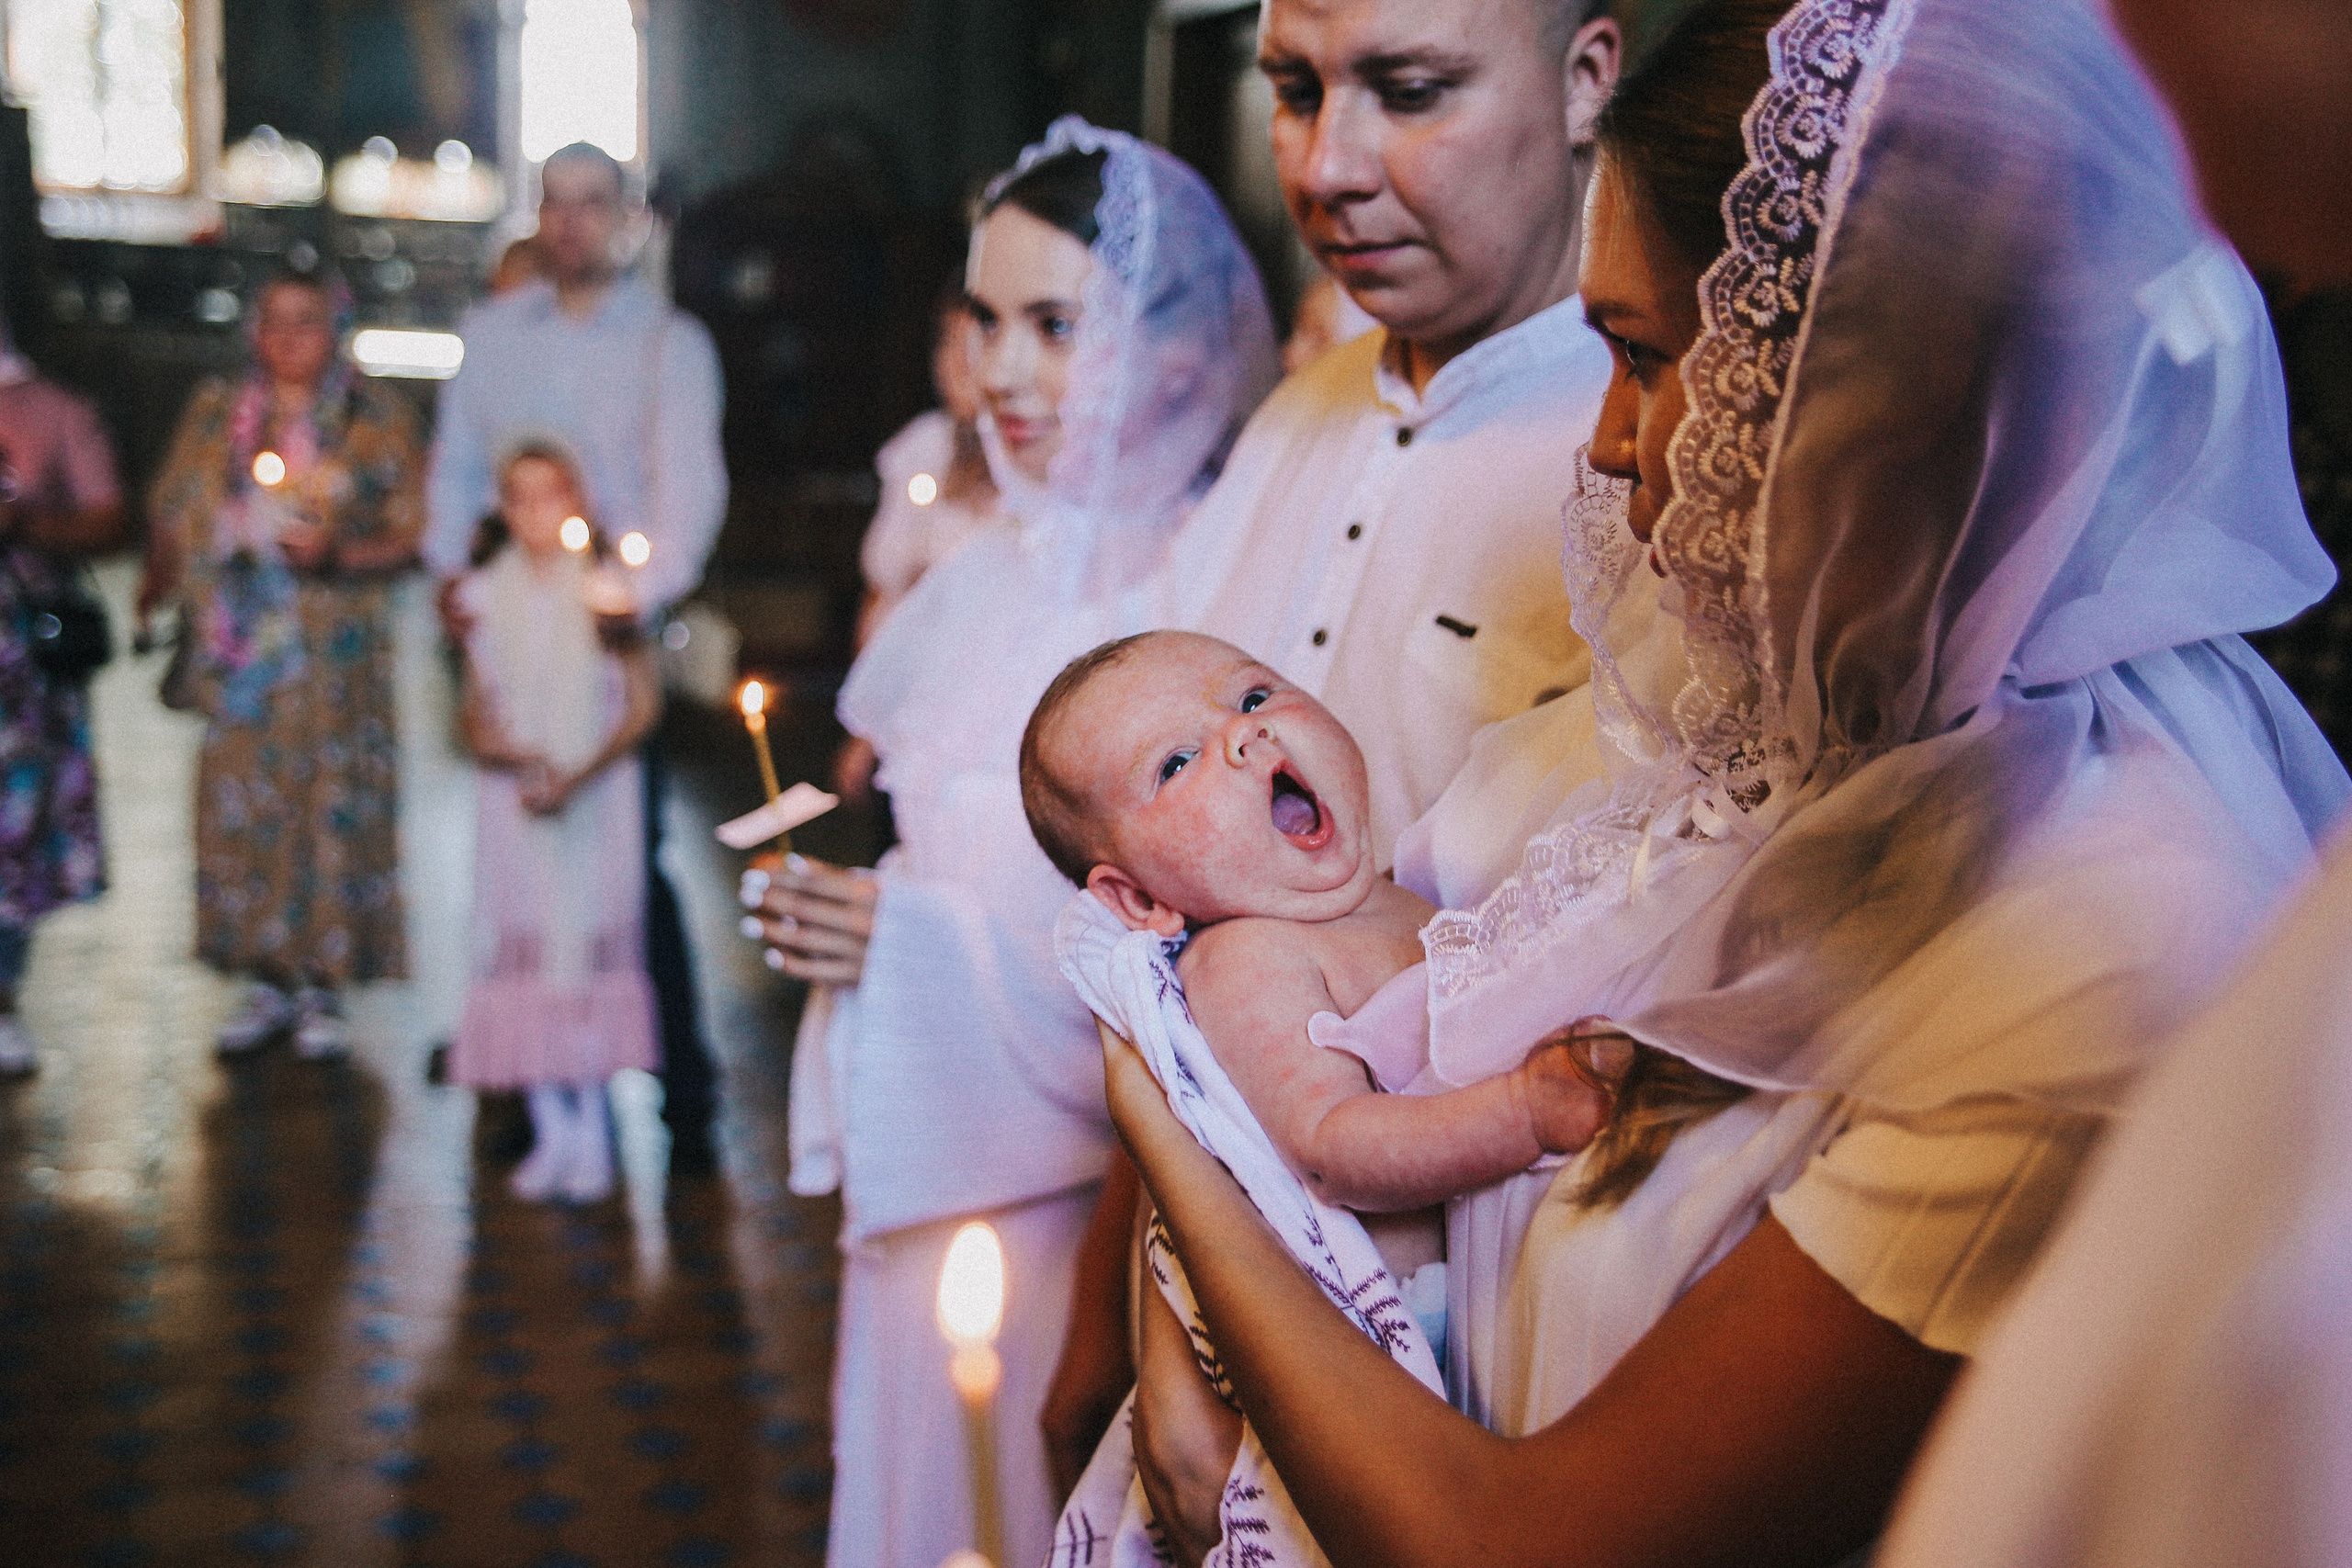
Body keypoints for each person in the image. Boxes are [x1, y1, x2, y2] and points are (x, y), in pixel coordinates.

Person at [1100, 0, 2350, 1562]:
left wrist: (1162, 1120)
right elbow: (1336, 965)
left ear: (1868, 395)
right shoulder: (1692, 718)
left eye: (1640, 357)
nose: (1612, 446)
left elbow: (1526, 1544)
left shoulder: (2107, 942)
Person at [1023, 0, 1630, 1489]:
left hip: (1480, 1351)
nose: (1328, 166)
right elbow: (1185, 932)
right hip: (1227, 1262)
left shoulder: (1640, 445)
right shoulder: (1299, 413)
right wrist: (1133, 1321)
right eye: (1293, 90)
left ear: (1585, 80)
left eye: (1409, 90)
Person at [741, 118, 1277, 1568]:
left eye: (1055, 323)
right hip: (933, 1155)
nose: (1003, 368)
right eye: (985, 319)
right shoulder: (983, 571)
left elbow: (1207, 956)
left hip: (1077, 1206)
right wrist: (861, 915)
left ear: (1177, 351)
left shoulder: (1210, 589)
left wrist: (908, 942)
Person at [1020, 629, 1605, 1268]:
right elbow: (1331, 1145)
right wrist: (1524, 1112)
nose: (1246, 734)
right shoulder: (1245, 960)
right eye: (1177, 763)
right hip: (1451, 1296)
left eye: (1253, 696)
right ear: (1139, 900)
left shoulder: (1397, 892)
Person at [424, 141, 729, 1175]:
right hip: (509, 617)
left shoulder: (669, 342)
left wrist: (630, 598)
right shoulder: (495, 334)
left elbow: (687, 490)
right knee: (512, 857)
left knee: (621, 861)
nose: (571, 223)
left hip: (605, 624)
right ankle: (517, 1085)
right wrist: (452, 585)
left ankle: (679, 1091)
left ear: (627, 217)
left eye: (592, 204)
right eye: (554, 204)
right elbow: (459, 468)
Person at [143, 268, 424, 1059]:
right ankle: (264, 971)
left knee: (325, 804)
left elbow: (420, 531)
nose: (289, 338)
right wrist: (219, 529)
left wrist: (340, 550)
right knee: (245, 807)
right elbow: (171, 506)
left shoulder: (373, 418)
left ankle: (323, 978)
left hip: (332, 658)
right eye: (274, 321)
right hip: (241, 656)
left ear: (335, 327)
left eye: (307, 321)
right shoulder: (216, 412)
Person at [447, 445, 661, 1203]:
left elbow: (640, 707)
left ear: (578, 500)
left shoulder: (607, 593)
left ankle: (594, 1127)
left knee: (585, 953)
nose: (537, 513)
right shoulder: (480, 596)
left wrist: (577, 770)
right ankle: (551, 1128)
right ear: (503, 509)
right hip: (514, 802)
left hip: (593, 801)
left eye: (552, 495)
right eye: (520, 497)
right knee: (528, 952)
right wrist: (499, 746)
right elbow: (472, 711)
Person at [0, 328, 124, 1075]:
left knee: (13, 829)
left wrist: (23, 523)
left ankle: (3, 995)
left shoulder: (52, 410)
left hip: (20, 660)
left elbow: (110, 517)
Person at [838, 290, 1003, 800]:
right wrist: (864, 731)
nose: (954, 365)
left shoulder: (1029, 467)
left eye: (972, 346)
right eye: (946, 344)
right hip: (912, 702)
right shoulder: (923, 447)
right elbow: (881, 598)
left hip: (988, 708)